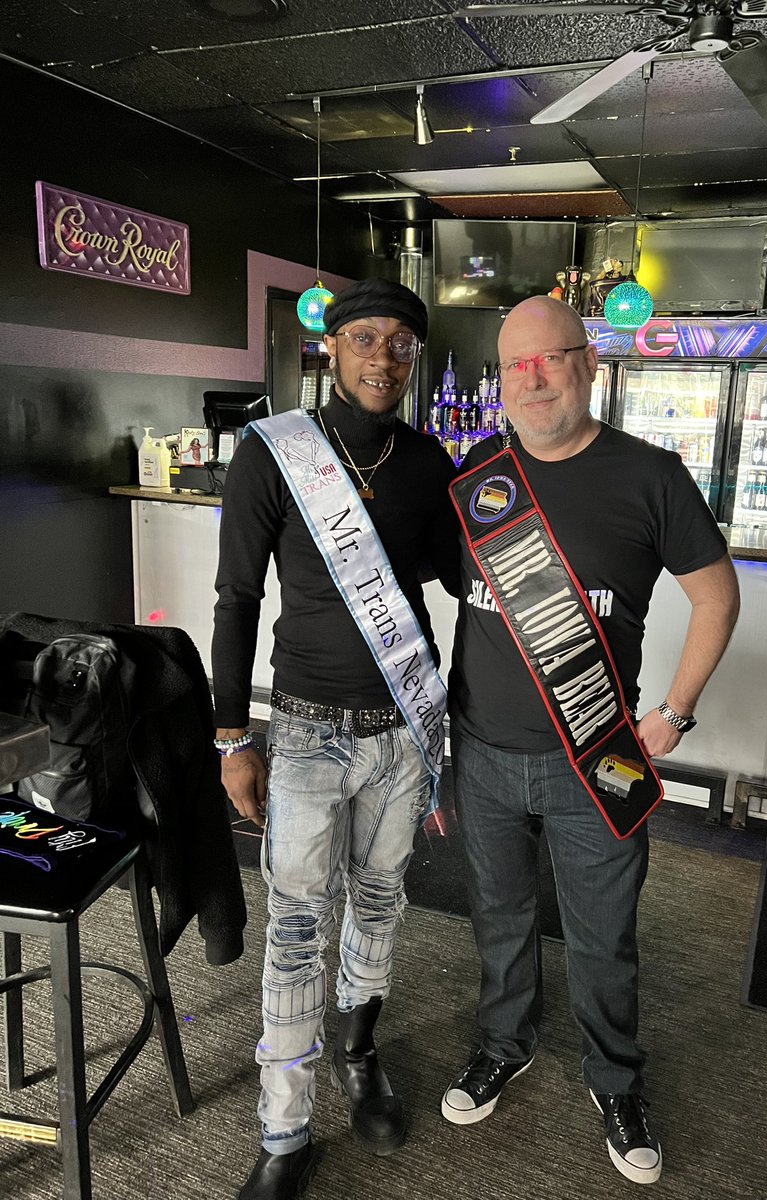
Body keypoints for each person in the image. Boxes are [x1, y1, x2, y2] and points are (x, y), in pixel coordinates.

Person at [441, 295, 740, 1186]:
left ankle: (615, 1081)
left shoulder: (650, 476)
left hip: (597, 758)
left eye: (549, 359)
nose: (531, 379)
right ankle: (504, 1043)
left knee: (603, 936)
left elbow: (717, 598)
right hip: (482, 752)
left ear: (589, 364)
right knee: (499, 916)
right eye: (513, 365)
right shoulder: (477, 477)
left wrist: (674, 713)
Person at [212, 279, 459, 1200]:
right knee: (297, 929)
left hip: (402, 730)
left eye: (401, 343)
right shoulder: (275, 454)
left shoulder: (430, 461)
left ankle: (359, 1053)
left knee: (383, 899)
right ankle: (283, 1134)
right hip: (308, 731)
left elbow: (459, 578)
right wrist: (230, 737)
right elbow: (235, 600)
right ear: (332, 348)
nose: (382, 358)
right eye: (365, 339)